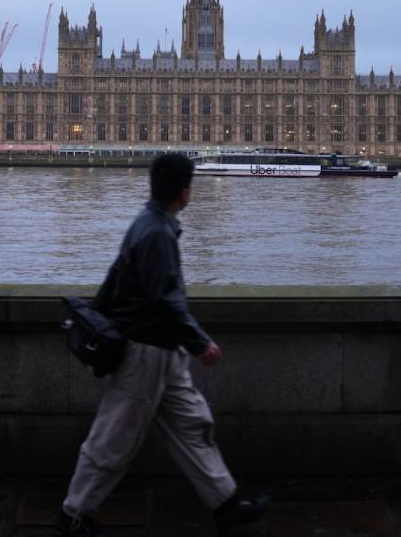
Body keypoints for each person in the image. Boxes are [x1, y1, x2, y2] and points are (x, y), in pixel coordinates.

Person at [55, 153, 269, 537]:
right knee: (112, 440)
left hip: (165, 353)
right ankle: (74, 517)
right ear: (184, 191)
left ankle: (226, 504)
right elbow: (164, 299)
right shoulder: (155, 233)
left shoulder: (148, 224)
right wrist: (200, 342)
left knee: (194, 425)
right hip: (146, 351)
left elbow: (113, 282)